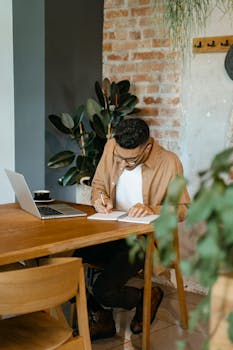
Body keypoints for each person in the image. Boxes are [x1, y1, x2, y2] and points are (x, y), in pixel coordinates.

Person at [74, 117, 190, 340]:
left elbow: (183, 209)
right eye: (120, 157)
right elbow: (98, 185)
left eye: (132, 159)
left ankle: (146, 296)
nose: (124, 163)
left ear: (147, 147)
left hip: (144, 239)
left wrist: (152, 209)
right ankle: (103, 318)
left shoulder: (169, 162)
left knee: (103, 290)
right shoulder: (112, 147)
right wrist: (100, 199)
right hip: (109, 232)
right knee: (63, 267)